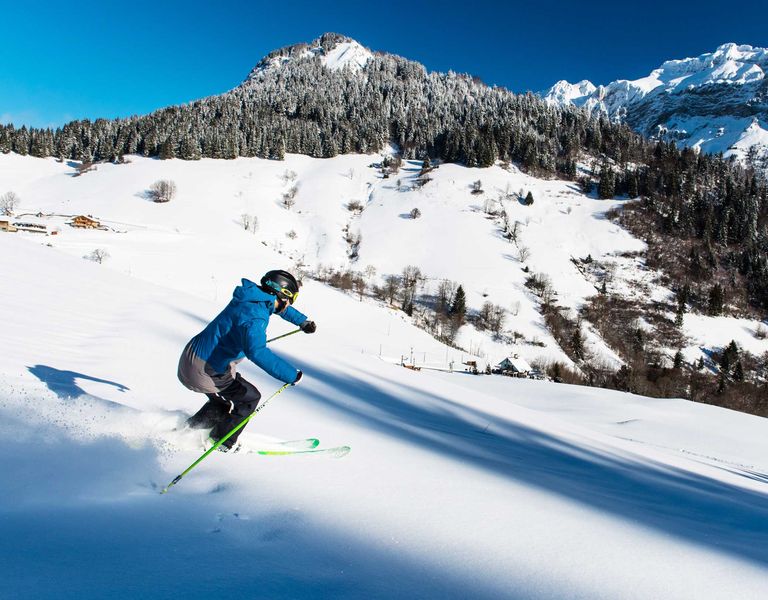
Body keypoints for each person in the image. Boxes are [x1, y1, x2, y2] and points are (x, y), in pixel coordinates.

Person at [177, 269, 316, 450]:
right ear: (281, 294)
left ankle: (188, 430)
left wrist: (302, 321)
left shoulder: (252, 297)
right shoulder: (255, 317)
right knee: (248, 398)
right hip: (205, 368)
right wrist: (291, 375)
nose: (289, 303)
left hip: (196, 356)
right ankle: (220, 443)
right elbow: (257, 352)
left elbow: (279, 308)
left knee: (223, 401)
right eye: (290, 298)